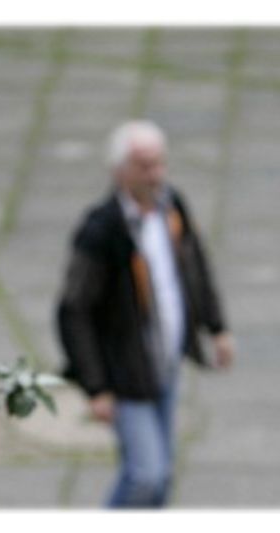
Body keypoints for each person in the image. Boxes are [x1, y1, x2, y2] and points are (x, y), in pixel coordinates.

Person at [56, 120, 234, 508]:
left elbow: (195, 267)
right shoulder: (102, 230)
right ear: (119, 171)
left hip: (164, 363)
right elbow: (73, 309)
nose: (156, 174)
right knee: (145, 474)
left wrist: (217, 327)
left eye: (159, 163)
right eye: (144, 166)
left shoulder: (172, 208)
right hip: (126, 376)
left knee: (162, 475)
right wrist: (95, 387)